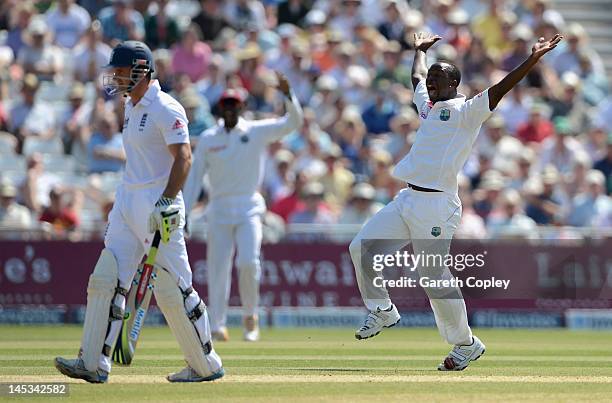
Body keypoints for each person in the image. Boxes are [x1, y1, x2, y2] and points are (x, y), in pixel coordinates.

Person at [349, 31, 562, 371]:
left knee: (432, 275)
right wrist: (419, 51)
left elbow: (501, 89)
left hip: (438, 204)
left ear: (452, 83)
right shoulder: (428, 106)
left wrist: (532, 60)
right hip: (407, 198)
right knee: (362, 248)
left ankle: (466, 343)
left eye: (437, 78)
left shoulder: (467, 111)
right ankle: (383, 310)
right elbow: (416, 76)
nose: (430, 83)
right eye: (431, 78)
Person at [54, 41, 224, 383]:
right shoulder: (130, 105)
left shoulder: (166, 107)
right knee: (107, 278)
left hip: (159, 205)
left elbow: (185, 158)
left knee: (175, 289)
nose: (115, 77)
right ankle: (93, 362)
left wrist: (167, 201)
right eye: (113, 71)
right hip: (127, 200)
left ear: (142, 70)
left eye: (121, 71)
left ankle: (207, 366)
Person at [184, 74, 303, 342]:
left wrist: (289, 96)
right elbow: (194, 178)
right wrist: (186, 213)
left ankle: (251, 317)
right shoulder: (208, 138)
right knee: (218, 267)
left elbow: (292, 123)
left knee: (248, 263)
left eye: (234, 105)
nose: (230, 109)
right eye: (226, 105)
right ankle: (217, 325)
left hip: (249, 206)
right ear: (220, 108)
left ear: (241, 108)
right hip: (219, 209)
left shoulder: (255, 131)